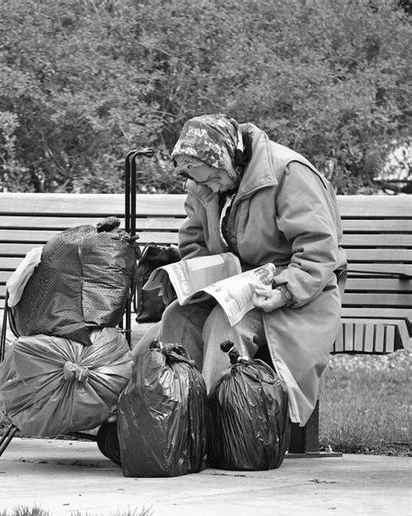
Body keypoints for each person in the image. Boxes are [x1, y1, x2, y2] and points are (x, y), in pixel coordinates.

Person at [134, 114, 347, 426]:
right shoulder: (205, 181)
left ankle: (212, 426)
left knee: (226, 324)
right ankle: (167, 420)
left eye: (211, 179)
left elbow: (319, 250)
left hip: (296, 294)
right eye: (201, 182)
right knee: (177, 316)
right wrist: (197, 278)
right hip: (232, 288)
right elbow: (194, 243)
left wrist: (285, 291)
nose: (208, 187)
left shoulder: (287, 172)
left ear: (227, 158)